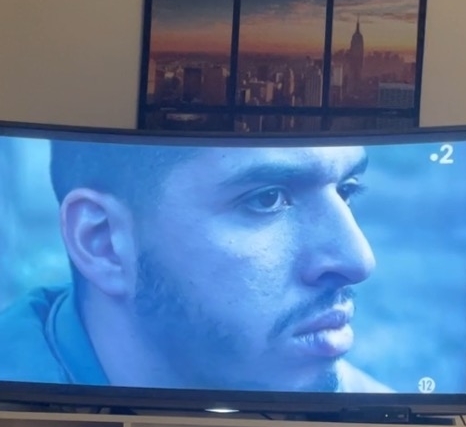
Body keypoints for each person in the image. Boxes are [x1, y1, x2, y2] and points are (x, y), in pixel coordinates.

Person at [0, 139, 390, 393]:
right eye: (266, 199)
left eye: (347, 190)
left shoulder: (374, 411)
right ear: (103, 243)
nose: (358, 261)